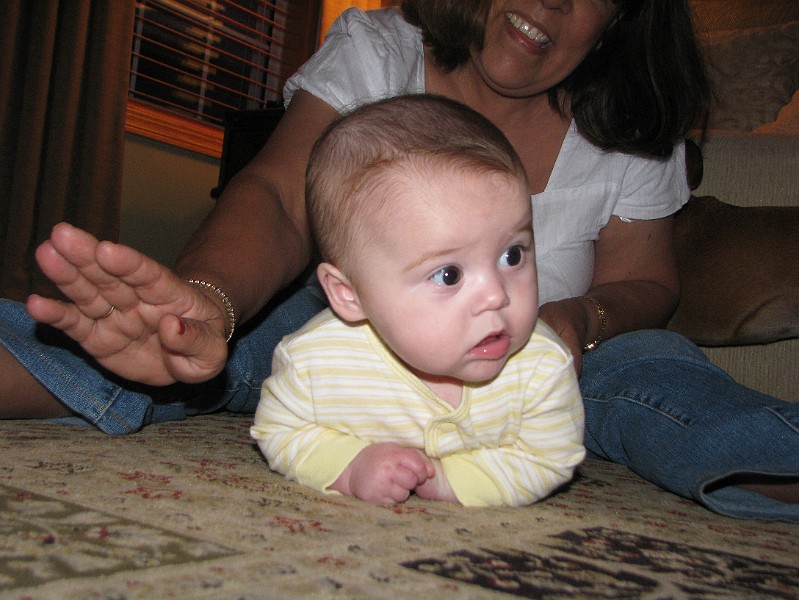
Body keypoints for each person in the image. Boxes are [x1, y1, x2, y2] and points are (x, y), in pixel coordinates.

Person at [0, 0, 797, 520]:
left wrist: (574, 319)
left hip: (556, 359)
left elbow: (646, 280)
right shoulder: (378, 49)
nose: (551, 2)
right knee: (214, 345)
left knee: (656, 366)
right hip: (360, 340)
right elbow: (280, 196)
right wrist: (207, 302)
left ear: (620, 17)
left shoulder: (628, 122)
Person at [251, 94, 585, 506]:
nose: (496, 294)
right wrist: (350, 466)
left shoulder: (541, 369)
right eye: (449, 275)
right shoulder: (316, 363)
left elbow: (548, 457)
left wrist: (448, 481)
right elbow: (280, 430)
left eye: (512, 255)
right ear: (349, 295)